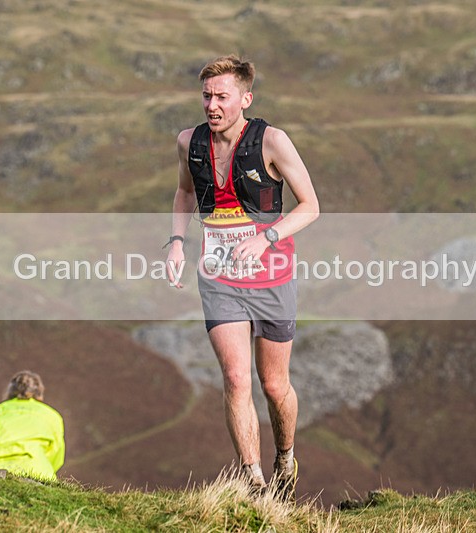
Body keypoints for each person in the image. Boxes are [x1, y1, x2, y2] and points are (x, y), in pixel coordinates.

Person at [165, 55, 319, 501]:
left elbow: (311, 206)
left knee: (273, 384)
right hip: (218, 276)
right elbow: (184, 191)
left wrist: (266, 237)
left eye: (221, 97)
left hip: (272, 274)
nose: (211, 106)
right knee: (235, 379)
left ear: (245, 99)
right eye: (206, 96)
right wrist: (176, 242)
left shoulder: (273, 141)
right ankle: (252, 482)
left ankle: (285, 456)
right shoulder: (187, 142)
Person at [0, 370, 65, 481]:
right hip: (39, 471)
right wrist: (46, 468)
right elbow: (56, 453)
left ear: (10, 391)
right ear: (39, 392)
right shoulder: (52, 415)